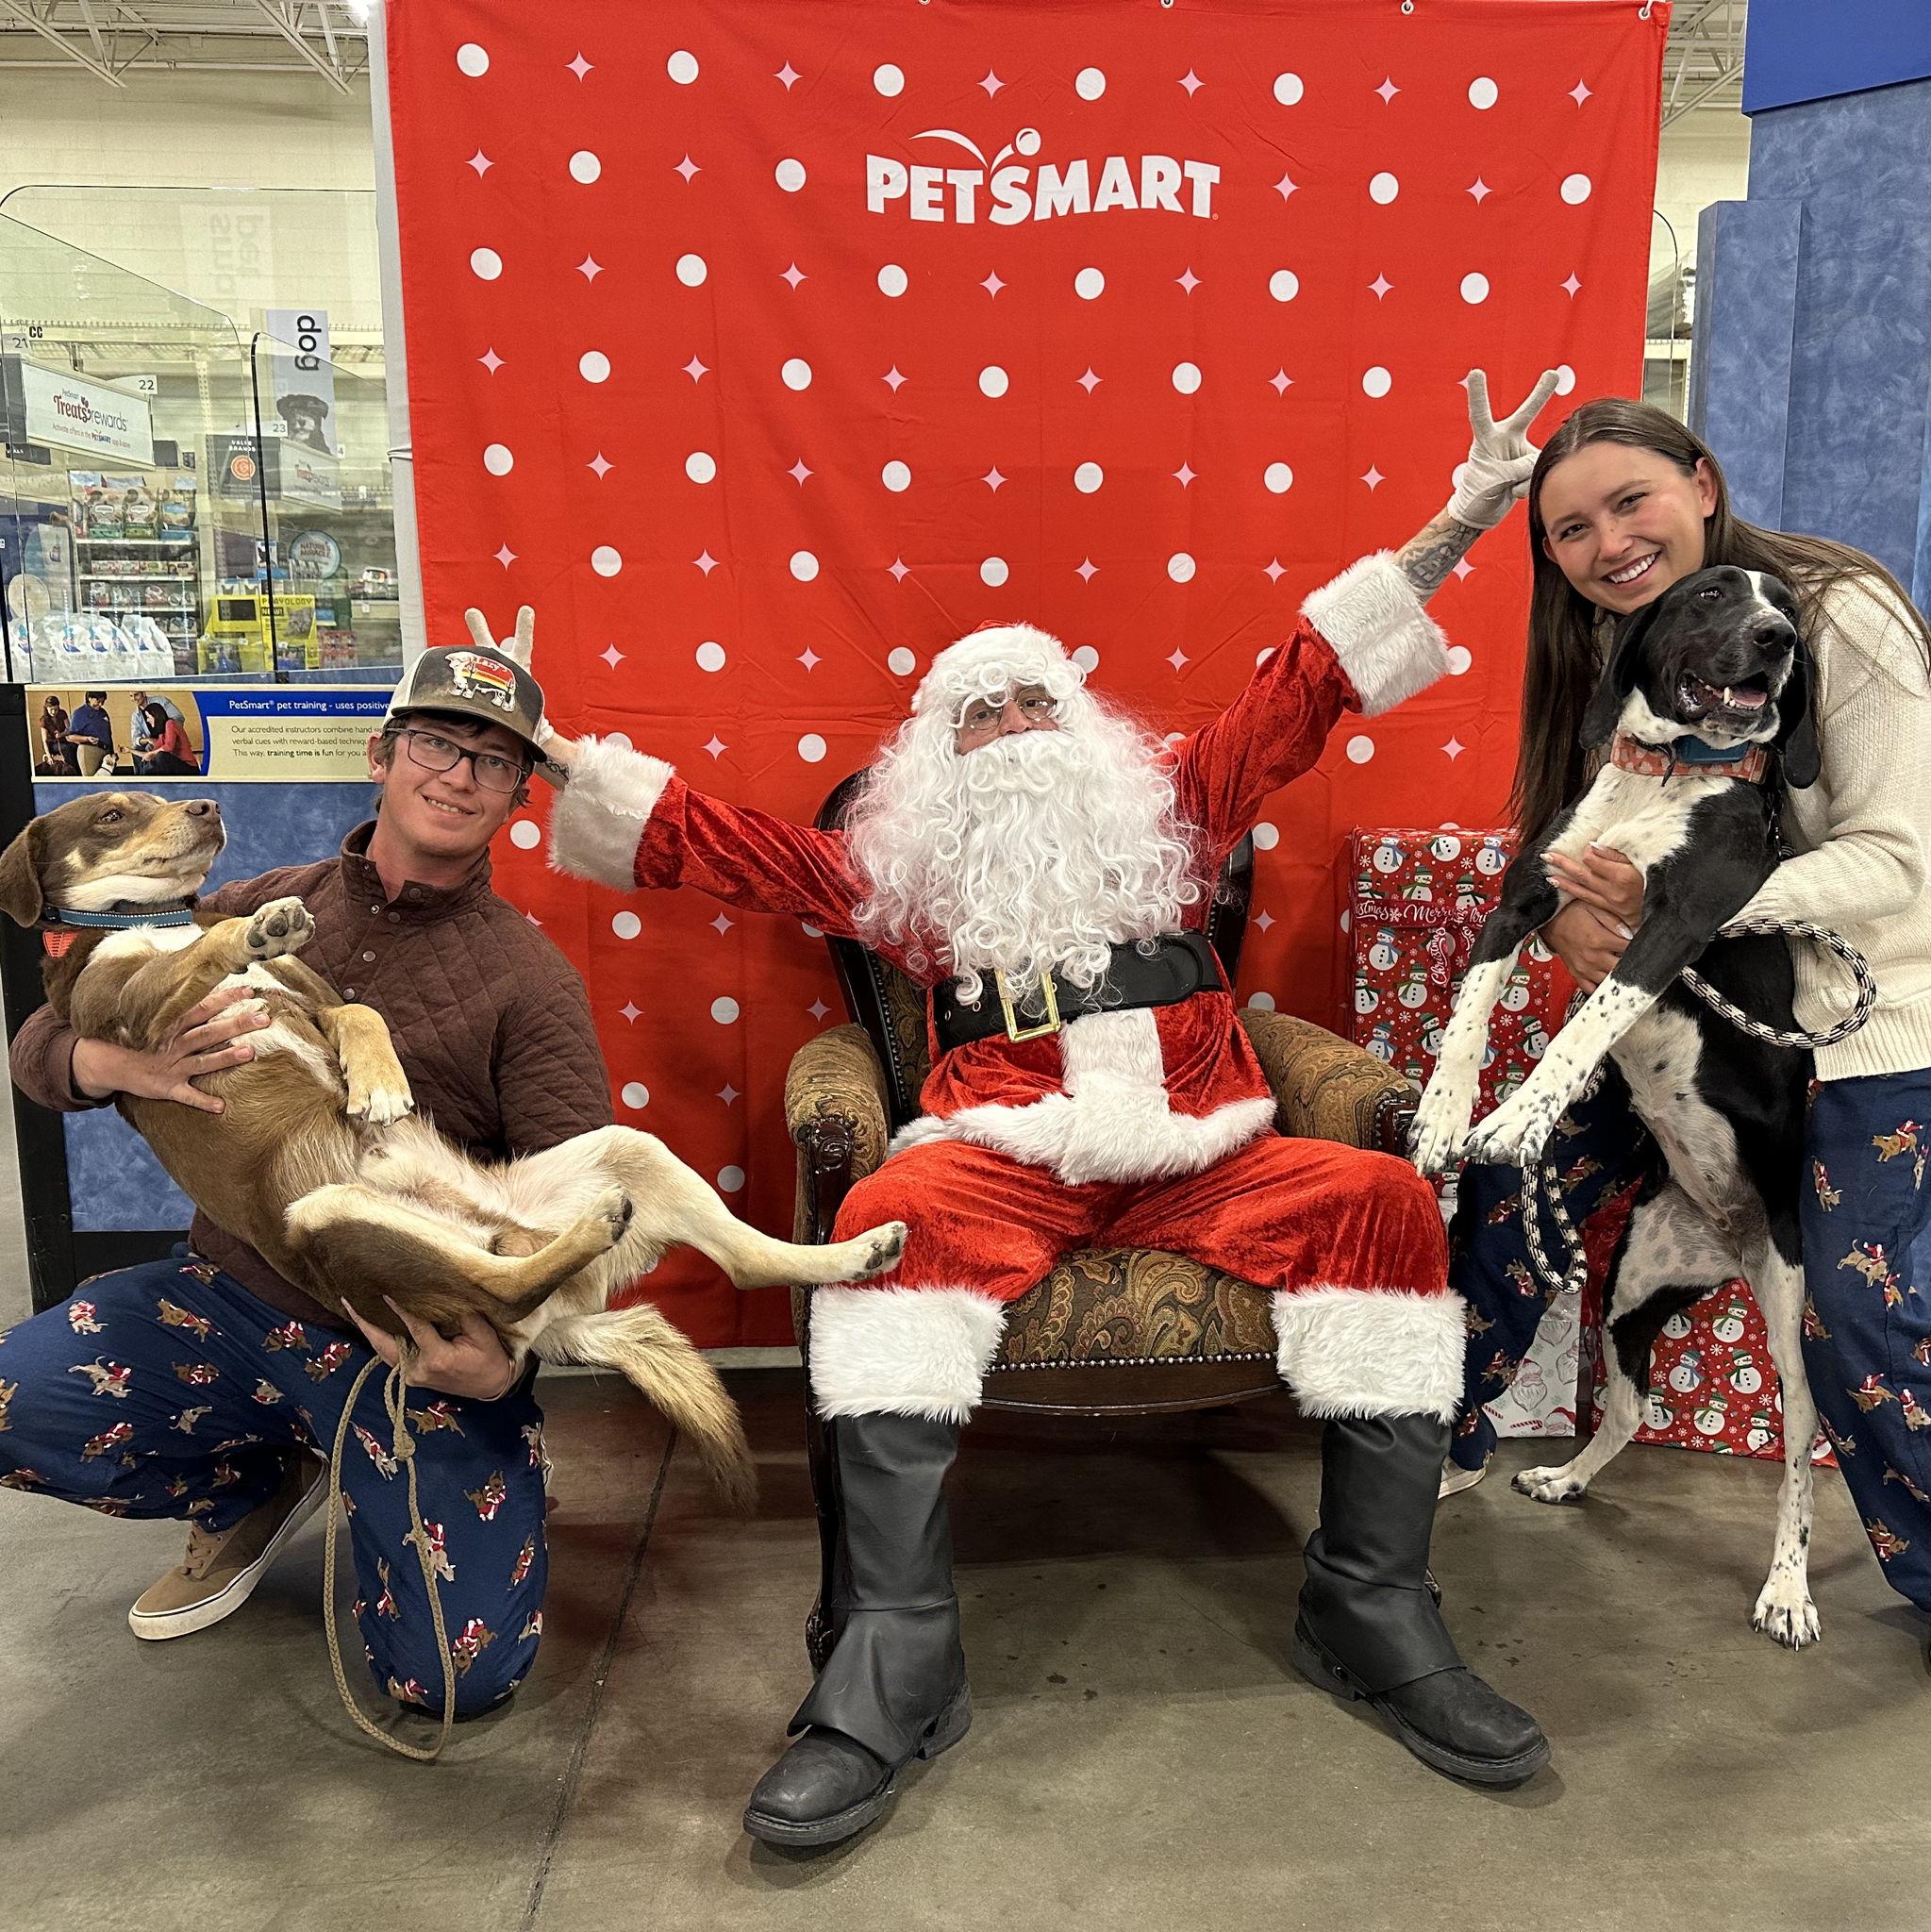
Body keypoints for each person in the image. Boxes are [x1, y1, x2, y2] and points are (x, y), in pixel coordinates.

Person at [541, 371, 1564, 1840]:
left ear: (1080, 723)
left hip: (1210, 1154)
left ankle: (1372, 1607)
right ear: (934, 762)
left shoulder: (1180, 804)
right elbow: (728, 846)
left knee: (1385, 1206)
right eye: (977, 711)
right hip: (1003, 1163)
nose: (1012, 723)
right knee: (885, 1226)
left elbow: (1306, 680)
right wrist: (560, 757)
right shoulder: (906, 876)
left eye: (1034, 698)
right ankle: (896, 1661)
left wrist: (1455, 524)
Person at [2, 632, 611, 1719]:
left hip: (394, 1335)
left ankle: (440, 1461)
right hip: (225, 1295)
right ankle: (252, 1476)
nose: (456, 775)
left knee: (454, 1676)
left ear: (518, 795)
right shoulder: (253, 897)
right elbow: (43, 1046)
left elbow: (575, 1201)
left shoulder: (530, 980)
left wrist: (498, 1358)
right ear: (383, 753)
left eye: (492, 761)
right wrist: (112, 1060)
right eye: (435, 741)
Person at [1440, 398, 1931, 1621]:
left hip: (1873, 1023)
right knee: (1502, 1185)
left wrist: (1697, 902)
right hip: (1688, 1019)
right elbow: (1570, 872)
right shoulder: (1614, 655)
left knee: (1854, 1318)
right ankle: (1425, 1445)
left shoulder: (1836, 613)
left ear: (1701, 485)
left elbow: (1897, 856)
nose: (1604, 543)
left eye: (1627, 502)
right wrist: (1571, 914)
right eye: (1566, 529)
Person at [133, 702, 197, 777]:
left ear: (155, 716)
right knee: (149, 760)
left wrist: (153, 753)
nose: (147, 720)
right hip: (176, 767)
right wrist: (131, 751)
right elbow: (153, 752)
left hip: (188, 768)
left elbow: (169, 747)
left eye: (148, 717)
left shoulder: (170, 723)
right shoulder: (162, 733)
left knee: (161, 756)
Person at [64, 690, 114, 775]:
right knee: (92, 780)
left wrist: (112, 753)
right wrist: (87, 738)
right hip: (88, 750)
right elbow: (71, 736)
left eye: (103, 702)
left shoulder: (103, 712)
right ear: (90, 698)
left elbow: (109, 734)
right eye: (98, 701)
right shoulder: (79, 713)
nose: (100, 704)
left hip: (105, 752)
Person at [39, 694, 75, 774]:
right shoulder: (44, 720)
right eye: (51, 710)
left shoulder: (62, 713)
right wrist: (49, 756)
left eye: (56, 709)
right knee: (66, 748)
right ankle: (71, 771)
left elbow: (69, 730)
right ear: (46, 708)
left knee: (74, 747)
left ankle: (77, 770)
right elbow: (45, 741)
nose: (53, 712)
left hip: (63, 740)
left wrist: (61, 734)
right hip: (52, 745)